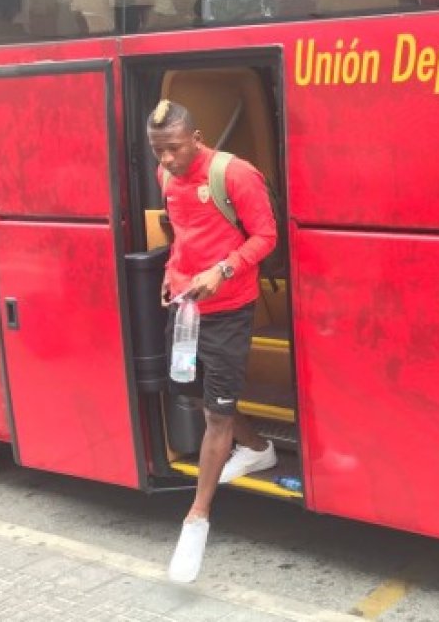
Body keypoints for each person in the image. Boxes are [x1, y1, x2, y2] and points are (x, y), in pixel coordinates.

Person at [148, 99, 278, 583]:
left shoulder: (235, 174)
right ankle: (259, 449)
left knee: (217, 414)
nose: (166, 161)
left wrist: (222, 271)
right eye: (158, 151)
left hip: (228, 308)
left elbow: (266, 236)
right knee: (194, 390)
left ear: (196, 137)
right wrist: (170, 273)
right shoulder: (166, 178)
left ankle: (196, 518)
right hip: (186, 305)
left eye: (174, 150)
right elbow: (181, 236)